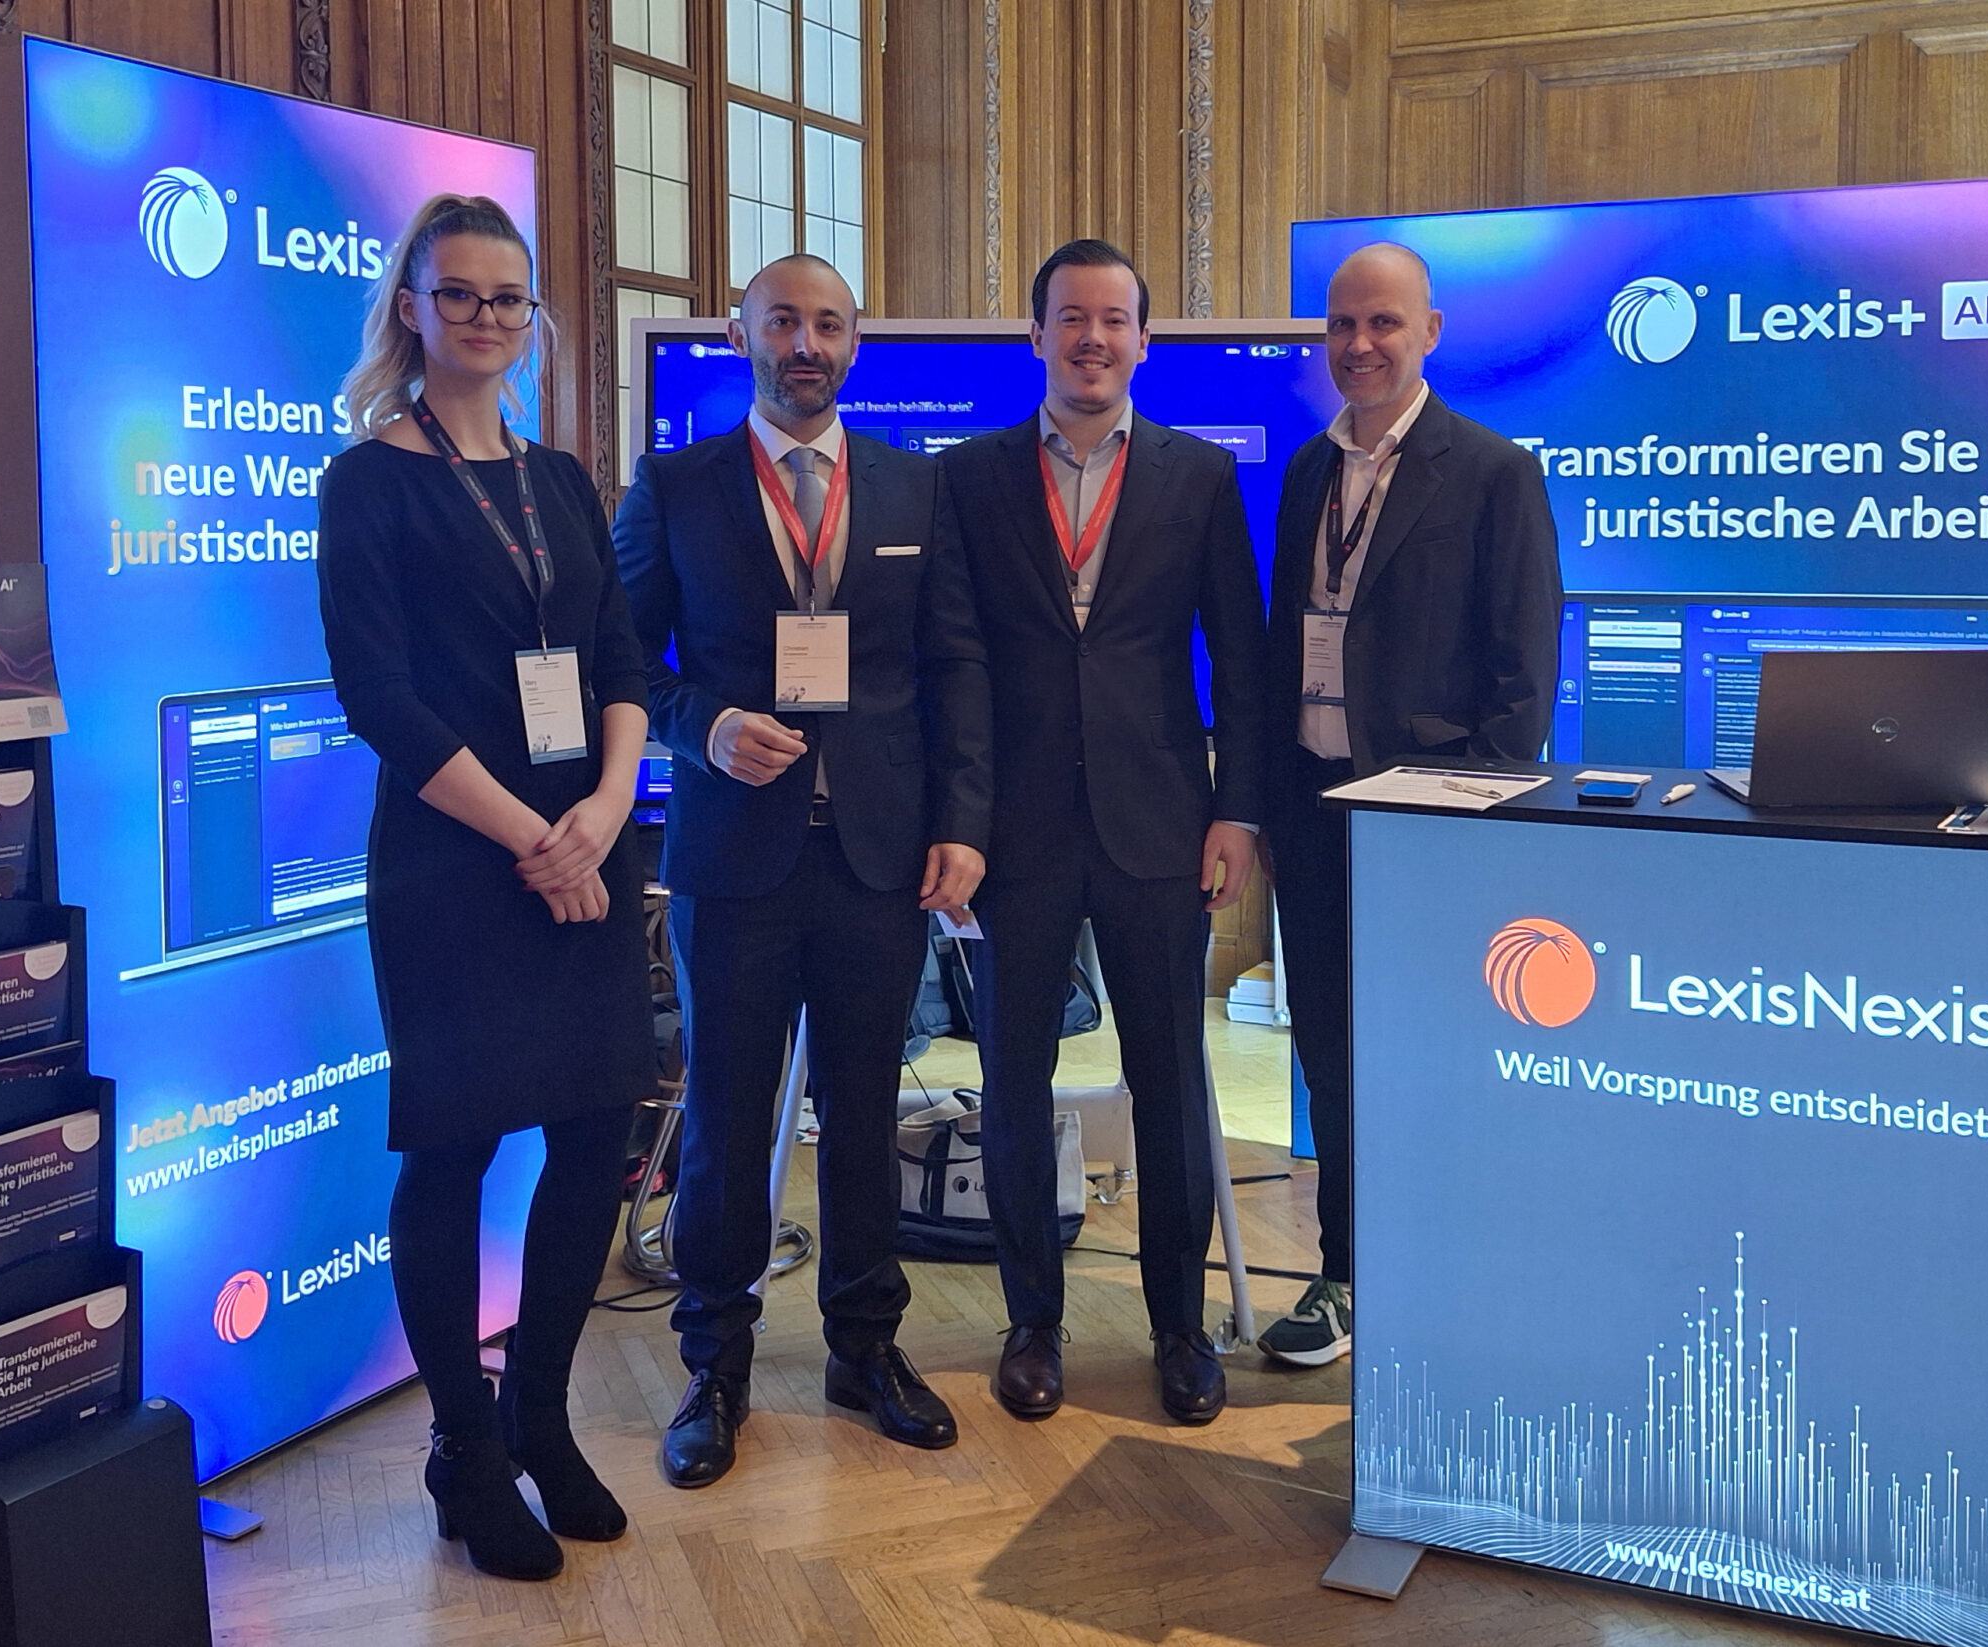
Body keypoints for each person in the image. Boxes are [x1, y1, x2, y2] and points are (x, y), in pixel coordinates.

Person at [612, 253, 991, 1488]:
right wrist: (704, 728)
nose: (806, 344)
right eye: (783, 321)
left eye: (828, 324)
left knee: (867, 1112)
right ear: (742, 336)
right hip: (734, 858)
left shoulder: (915, 487)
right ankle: (714, 1364)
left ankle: (864, 1348)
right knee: (725, 1117)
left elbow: (952, 668)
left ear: (854, 343)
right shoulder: (675, 487)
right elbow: (625, 661)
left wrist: (961, 822)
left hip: (878, 856)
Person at [317, 195, 653, 1580]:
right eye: (458, 294)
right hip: (456, 866)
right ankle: (464, 1444)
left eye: (508, 298)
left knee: (593, 1132)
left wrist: (604, 816)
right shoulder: (367, 483)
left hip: (587, 844)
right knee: (452, 1151)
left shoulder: (561, 478)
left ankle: (540, 1417)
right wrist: (536, 838)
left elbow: (623, 661)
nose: (485, 318)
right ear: (410, 307)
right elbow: (378, 699)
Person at [941, 239, 1268, 1426]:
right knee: (1011, 1081)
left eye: (1113, 319)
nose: (1091, 338)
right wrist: (959, 823)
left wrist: (1238, 809)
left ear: (1142, 340)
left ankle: (1179, 1327)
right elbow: (955, 661)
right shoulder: (968, 477)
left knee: (1169, 1081)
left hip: (1158, 823)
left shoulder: (1197, 476)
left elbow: (1240, 653)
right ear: (1035, 334)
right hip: (1014, 834)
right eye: (1070, 318)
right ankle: (1033, 1322)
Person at [1256, 241, 1563, 1367]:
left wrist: (1466, 827)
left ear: (1428, 332)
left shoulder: (1491, 472)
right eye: (1341, 324)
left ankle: (1450, 1277)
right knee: (1332, 1056)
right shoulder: (1307, 470)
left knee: (1432, 1056)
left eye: (1383, 322)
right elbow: (1284, 641)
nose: (1359, 344)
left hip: (1428, 829)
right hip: (1314, 813)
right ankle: (1346, 1273)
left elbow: (1523, 680)